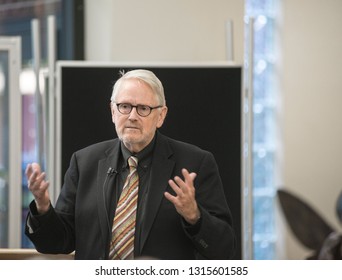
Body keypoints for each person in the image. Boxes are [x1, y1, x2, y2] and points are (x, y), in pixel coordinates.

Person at [25, 69, 236, 260]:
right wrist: (43, 208)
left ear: (161, 116)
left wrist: (194, 215)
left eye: (143, 108)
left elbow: (224, 249)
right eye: (125, 106)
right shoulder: (84, 162)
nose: (132, 116)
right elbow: (58, 242)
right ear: (112, 111)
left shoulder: (194, 163)